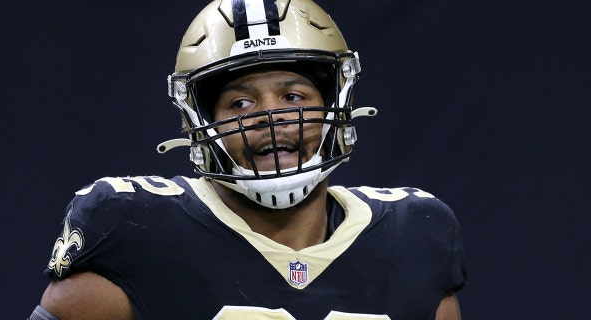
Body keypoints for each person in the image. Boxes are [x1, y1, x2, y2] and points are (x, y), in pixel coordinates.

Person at [29, 0, 467, 319]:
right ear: (200, 121)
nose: (271, 118)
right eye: (239, 103)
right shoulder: (132, 226)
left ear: (336, 104)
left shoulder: (416, 234)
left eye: (293, 95)